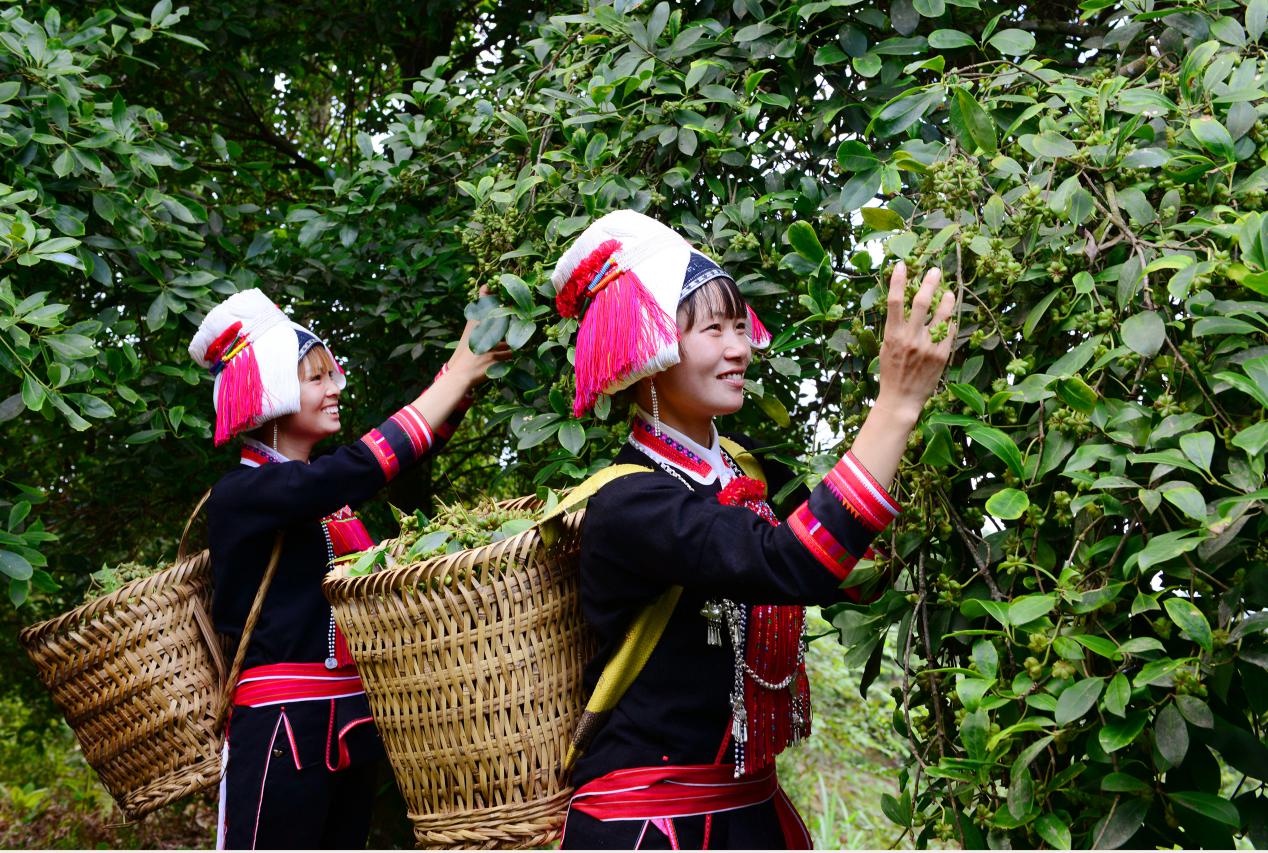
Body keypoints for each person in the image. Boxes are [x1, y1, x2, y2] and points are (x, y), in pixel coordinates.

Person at [550, 211, 955, 849]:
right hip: (652, 827)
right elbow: (795, 562)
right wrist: (897, 403)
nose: (740, 348)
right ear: (647, 348)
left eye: (739, 326)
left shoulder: (745, 471)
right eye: (713, 329)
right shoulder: (629, 505)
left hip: (749, 811)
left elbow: (848, 551)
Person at [187, 288, 508, 850]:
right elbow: (357, 469)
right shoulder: (244, 493)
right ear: (272, 393)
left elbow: (371, 467)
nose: (336, 387)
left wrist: (469, 361)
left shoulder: (319, 497)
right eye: (317, 378)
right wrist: (455, 373)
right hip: (281, 728)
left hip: (352, 722)